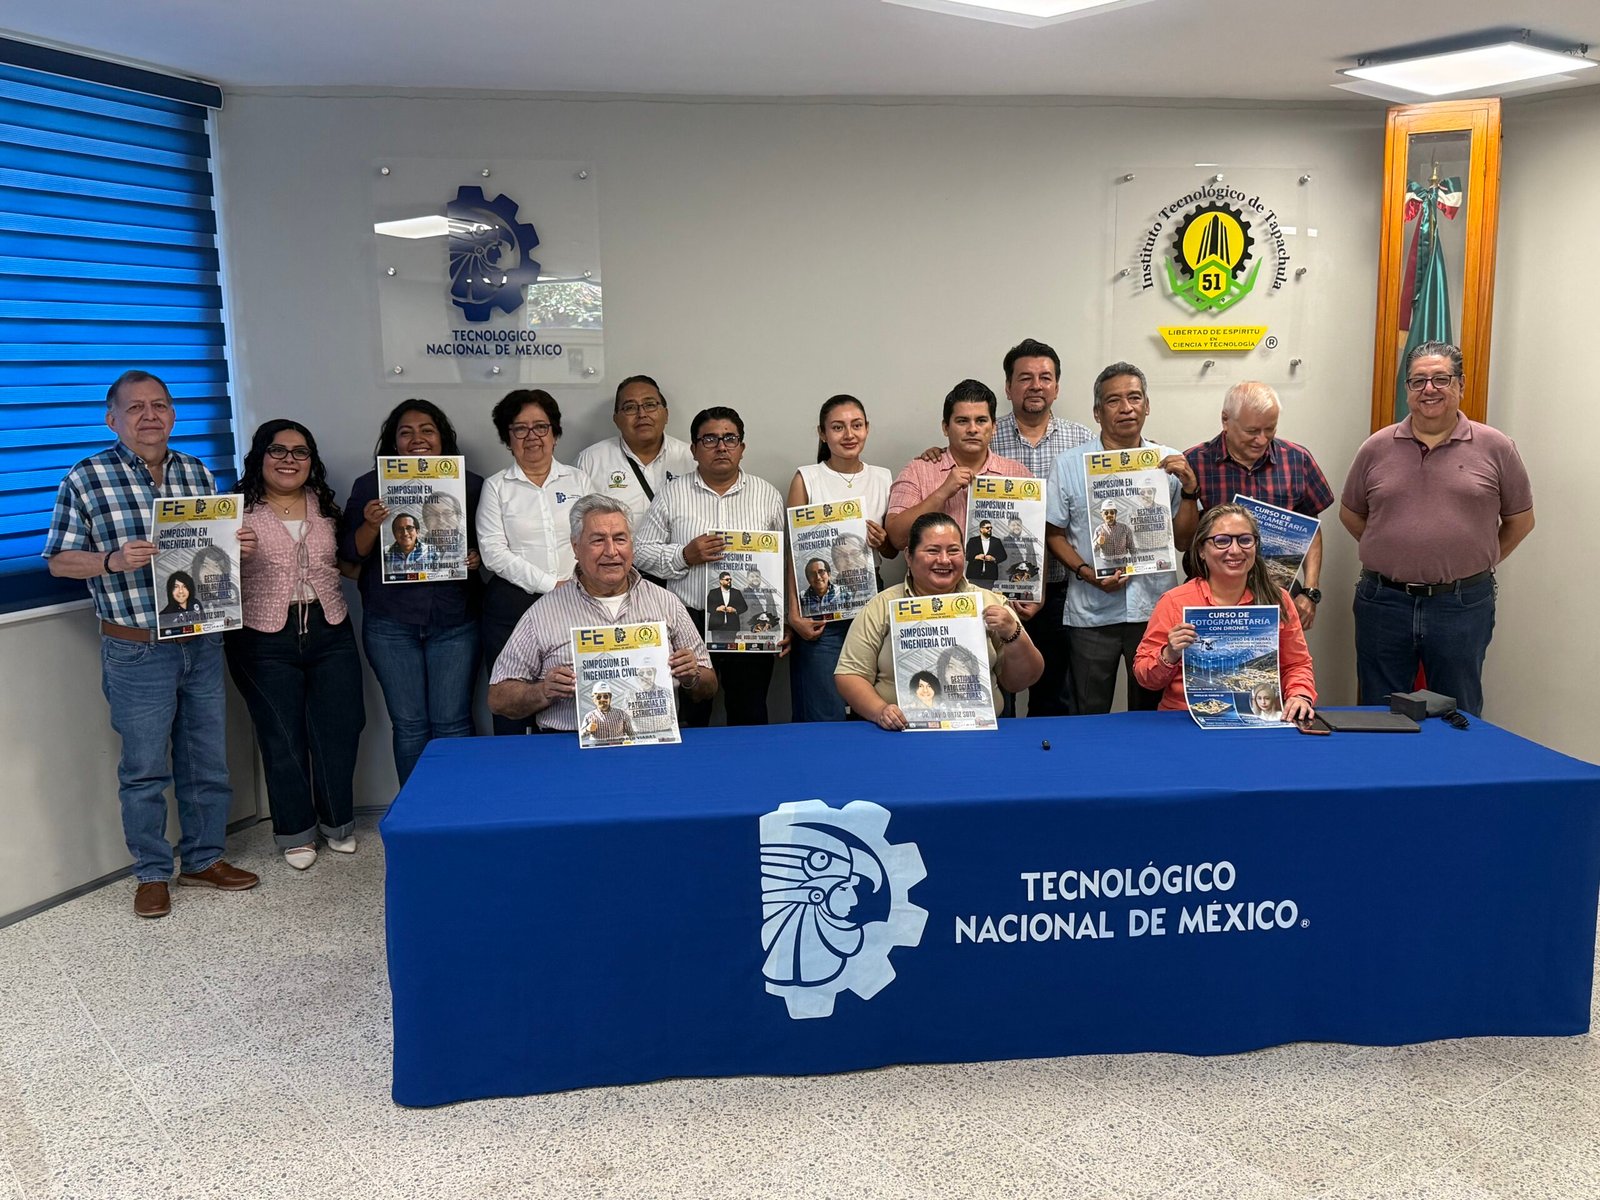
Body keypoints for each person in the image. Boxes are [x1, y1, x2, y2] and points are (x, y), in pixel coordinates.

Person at [43, 369, 259, 918]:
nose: (149, 416)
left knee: (206, 760)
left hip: (201, 640)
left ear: (173, 414)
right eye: (135, 407)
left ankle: (204, 859)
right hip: (136, 648)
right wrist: (112, 560)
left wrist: (238, 544)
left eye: (159, 405)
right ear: (111, 419)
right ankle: (152, 872)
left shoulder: (196, 472)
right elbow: (60, 561)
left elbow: (213, 555)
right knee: (143, 770)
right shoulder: (86, 477)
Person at [1340, 341, 1534, 716]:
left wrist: (1476, 559)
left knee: (1457, 712)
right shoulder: (1375, 448)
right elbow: (1351, 514)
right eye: (1418, 381)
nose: (1429, 389)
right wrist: (1394, 550)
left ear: (1461, 384)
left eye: (1441, 379)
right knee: (1379, 713)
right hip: (1383, 602)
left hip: (1461, 604)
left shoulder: (1497, 447)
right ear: (1407, 390)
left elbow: (1521, 521)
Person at [226, 420, 366, 871]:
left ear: (311, 460)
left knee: (340, 728)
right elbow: (207, 574)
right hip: (262, 636)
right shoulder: (235, 511)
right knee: (282, 735)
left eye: (300, 452)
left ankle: (337, 822)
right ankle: (296, 832)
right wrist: (231, 555)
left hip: (330, 628)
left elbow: (348, 565)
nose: (289, 460)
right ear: (260, 456)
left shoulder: (325, 507)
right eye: (278, 450)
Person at [340, 399, 485, 784]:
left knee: (453, 722)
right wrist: (371, 524)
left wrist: (476, 558)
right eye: (406, 432)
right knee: (409, 725)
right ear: (394, 442)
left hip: (454, 621)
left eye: (427, 430)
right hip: (391, 623)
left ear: (442, 438)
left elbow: (492, 545)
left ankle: (457, 808)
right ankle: (415, 811)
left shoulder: (470, 484)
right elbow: (349, 554)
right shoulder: (370, 485)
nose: (417, 439)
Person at [1045, 361, 1200, 715]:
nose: (1126, 407)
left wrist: (1190, 490)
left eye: (1134, 397)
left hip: (1154, 609)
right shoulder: (1069, 464)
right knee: (1088, 712)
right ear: (1097, 412)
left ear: (1147, 405)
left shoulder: (1169, 461)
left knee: (1150, 713)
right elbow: (1053, 533)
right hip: (1092, 611)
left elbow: (1184, 542)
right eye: (1114, 400)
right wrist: (1086, 572)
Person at [488, 495, 715, 732]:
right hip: (570, 741)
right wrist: (543, 691)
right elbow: (498, 698)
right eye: (598, 540)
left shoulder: (666, 602)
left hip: (653, 739)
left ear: (631, 545)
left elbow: (709, 686)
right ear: (576, 547)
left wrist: (692, 676)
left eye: (620, 539)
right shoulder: (542, 613)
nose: (611, 551)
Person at [635, 406, 787, 726]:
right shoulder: (672, 494)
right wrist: (684, 555)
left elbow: (784, 563)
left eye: (730, 439)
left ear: (742, 447)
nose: (721, 447)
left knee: (750, 713)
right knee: (692, 716)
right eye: (709, 439)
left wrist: (783, 620)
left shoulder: (767, 496)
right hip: (689, 620)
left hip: (749, 622)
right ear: (693, 449)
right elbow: (638, 552)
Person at [835, 512, 1043, 730]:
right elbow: (850, 674)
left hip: (978, 731)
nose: (944, 560)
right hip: (899, 732)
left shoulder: (990, 602)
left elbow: (1021, 681)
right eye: (932, 551)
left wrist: (1013, 633)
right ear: (909, 556)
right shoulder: (881, 606)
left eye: (953, 551)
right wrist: (880, 711)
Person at [477, 389, 596, 735]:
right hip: (513, 606)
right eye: (520, 428)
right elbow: (493, 552)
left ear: (555, 433)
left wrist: (569, 587)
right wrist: (550, 585)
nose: (532, 436)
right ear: (508, 438)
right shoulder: (497, 487)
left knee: (573, 700)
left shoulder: (578, 480)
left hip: (577, 604)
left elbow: (593, 536)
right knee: (513, 708)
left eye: (541, 427)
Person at [1134, 503, 1315, 721]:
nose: (1235, 550)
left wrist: (1299, 696)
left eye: (1245, 540)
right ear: (1201, 551)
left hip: (1256, 719)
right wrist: (1169, 654)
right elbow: (1145, 677)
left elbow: (1296, 664)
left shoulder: (1279, 600)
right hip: (1184, 719)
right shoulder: (1174, 602)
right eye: (1222, 541)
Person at [990, 338, 1094, 718]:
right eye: (1025, 378)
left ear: (1057, 387)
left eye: (1045, 377)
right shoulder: (985, 435)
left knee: (1054, 698)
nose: (1036, 385)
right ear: (1008, 387)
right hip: (997, 591)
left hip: (1062, 587)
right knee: (998, 697)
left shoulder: (1084, 441)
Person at [1183, 381, 1335, 630]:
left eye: (1270, 429)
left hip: (1276, 593)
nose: (1261, 440)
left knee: (1282, 655)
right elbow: (1183, 540)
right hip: (1211, 597)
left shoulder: (1297, 460)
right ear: (1225, 420)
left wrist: (1310, 591)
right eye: (1252, 431)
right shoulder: (1194, 462)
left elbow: (1311, 529)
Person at [785, 394, 896, 722]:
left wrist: (883, 541)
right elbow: (793, 552)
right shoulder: (807, 477)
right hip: (818, 600)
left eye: (856, 425)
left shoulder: (883, 477)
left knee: (872, 703)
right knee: (822, 706)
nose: (849, 434)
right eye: (837, 427)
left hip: (870, 594)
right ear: (822, 433)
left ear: (867, 429)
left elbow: (892, 550)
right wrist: (794, 611)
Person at [885, 379, 1031, 548]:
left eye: (981, 420)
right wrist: (942, 493)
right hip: (936, 565)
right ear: (946, 428)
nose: (972, 429)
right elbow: (896, 538)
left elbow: (1035, 540)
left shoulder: (1018, 474)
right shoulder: (918, 470)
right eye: (962, 421)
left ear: (993, 428)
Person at [574, 374, 697, 519]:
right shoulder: (590, 461)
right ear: (616, 419)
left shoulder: (692, 458)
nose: (642, 414)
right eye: (630, 407)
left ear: (666, 414)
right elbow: (577, 522)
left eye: (650, 405)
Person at [189, 544, 238, 610]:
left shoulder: (231, 590)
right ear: (197, 571)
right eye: (205, 566)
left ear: (223, 571)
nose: (210, 572)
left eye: (216, 566)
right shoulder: (190, 595)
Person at [965, 519, 1008, 583]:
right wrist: (976, 557)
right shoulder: (973, 541)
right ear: (981, 529)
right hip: (974, 575)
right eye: (987, 528)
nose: (989, 529)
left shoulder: (996, 541)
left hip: (990, 576)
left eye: (991, 528)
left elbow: (1003, 556)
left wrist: (993, 559)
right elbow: (967, 555)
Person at [1093, 504, 1134, 570]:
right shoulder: (1098, 530)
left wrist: (1135, 563)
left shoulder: (1124, 528)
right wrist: (1098, 542)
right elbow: (1093, 550)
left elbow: (1132, 547)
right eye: (1106, 513)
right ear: (1102, 514)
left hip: (1122, 563)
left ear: (1115, 514)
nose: (1109, 515)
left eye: (1112, 512)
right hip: (1106, 564)